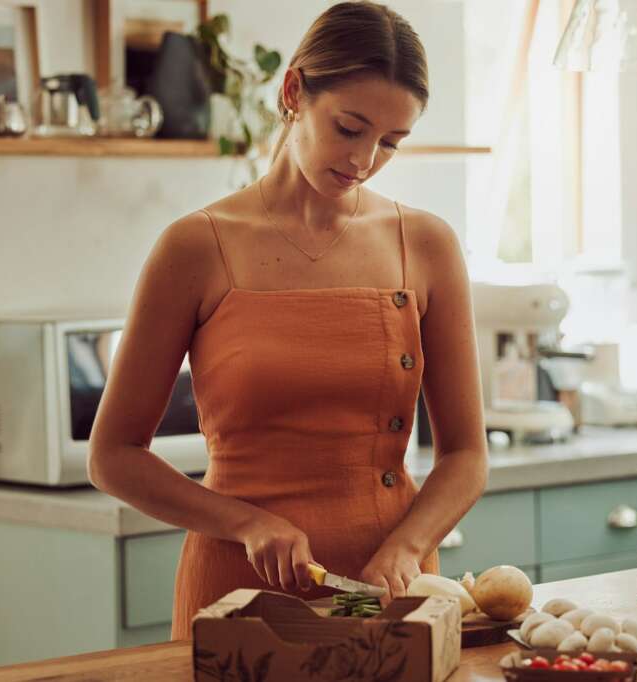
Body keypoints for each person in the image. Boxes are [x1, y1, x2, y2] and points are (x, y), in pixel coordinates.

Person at [88, 0, 488, 641]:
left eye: (390, 142)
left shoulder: (426, 244)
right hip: (241, 596)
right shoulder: (196, 247)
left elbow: (466, 453)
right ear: (294, 90)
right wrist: (245, 522)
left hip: (377, 592)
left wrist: (409, 546)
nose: (364, 160)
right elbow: (113, 456)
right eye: (350, 128)